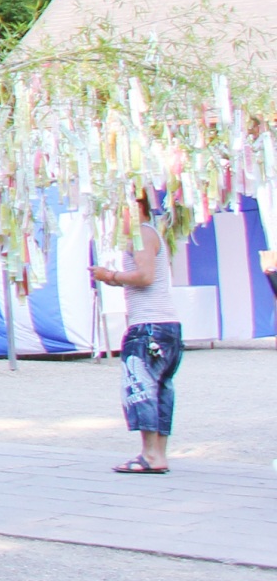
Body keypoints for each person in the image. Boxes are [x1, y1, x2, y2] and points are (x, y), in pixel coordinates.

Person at [93, 193, 180, 474]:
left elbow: (145, 276)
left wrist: (111, 276)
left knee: (140, 386)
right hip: (165, 326)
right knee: (161, 388)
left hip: (148, 327)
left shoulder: (141, 234)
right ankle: (158, 454)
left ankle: (150, 454)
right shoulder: (150, 233)